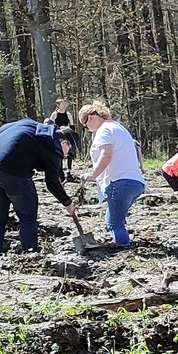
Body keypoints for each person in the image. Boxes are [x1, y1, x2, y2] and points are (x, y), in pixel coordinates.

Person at [0, 118, 77, 257]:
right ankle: (30, 254)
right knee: (27, 216)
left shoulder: (30, 124)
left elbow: (2, 129)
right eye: (68, 153)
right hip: (14, 171)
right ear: (64, 143)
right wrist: (68, 204)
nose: (66, 156)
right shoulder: (54, 146)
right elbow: (52, 184)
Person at [76, 101, 144, 248]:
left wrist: (93, 175)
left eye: (86, 125)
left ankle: (123, 249)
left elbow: (106, 154)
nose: (88, 129)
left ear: (91, 118)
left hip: (119, 183)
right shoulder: (118, 128)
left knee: (114, 223)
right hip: (135, 182)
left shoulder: (104, 130)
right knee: (113, 218)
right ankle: (121, 243)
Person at [46, 98, 76, 174]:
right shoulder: (54, 114)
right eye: (62, 103)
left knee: (70, 152)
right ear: (58, 105)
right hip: (58, 135)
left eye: (65, 103)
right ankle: (60, 171)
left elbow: (72, 126)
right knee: (59, 152)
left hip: (66, 134)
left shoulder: (68, 114)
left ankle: (69, 171)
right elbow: (50, 125)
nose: (64, 105)